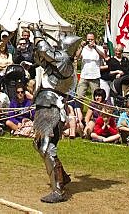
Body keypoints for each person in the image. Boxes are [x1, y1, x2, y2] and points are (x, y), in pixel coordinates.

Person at [31, 25, 83, 203]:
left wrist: (37, 33)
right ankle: (62, 176)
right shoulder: (61, 61)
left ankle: (58, 190)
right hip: (46, 104)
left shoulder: (65, 61)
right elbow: (40, 56)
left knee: (46, 147)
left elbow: (44, 50)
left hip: (52, 107)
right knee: (39, 144)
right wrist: (35, 38)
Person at [75, 33, 107, 113]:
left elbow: (104, 57)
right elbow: (77, 57)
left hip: (95, 76)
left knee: (97, 99)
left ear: (94, 39)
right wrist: (81, 47)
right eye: (88, 39)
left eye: (91, 39)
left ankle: (95, 116)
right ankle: (79, 115)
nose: (89, 41)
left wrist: (95, 47)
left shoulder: (99, 48)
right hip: (84, 76)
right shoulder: (83, 48)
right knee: (79, 97)